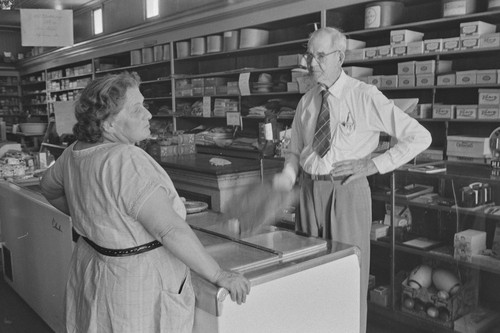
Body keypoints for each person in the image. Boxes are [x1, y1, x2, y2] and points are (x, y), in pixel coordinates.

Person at [40, 72, 251, 333]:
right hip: (134, 285)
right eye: (137, 108)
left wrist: (96, 218)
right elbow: (169, 230)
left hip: (95, 270)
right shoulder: (125, 159)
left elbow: (48, 187)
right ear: (108, 123)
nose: (149, 115)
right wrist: (219, 274)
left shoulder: (75, 151)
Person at [273, 27, 431, 333]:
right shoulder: (306, 102)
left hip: (347, 191)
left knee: (347, 276)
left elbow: (419, 137)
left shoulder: (364, 96)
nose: (311, 63)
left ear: (340, 57)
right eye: (309, 55)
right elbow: (294, 151)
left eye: (319, 56)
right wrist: (288, 176)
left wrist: (373, 165)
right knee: (307, 275)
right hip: (308, 192)